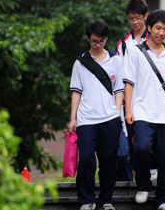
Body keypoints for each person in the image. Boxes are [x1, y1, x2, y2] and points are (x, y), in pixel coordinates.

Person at [124, 9, 165, 210]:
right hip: (142, 111)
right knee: (141, 148)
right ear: (149, 27)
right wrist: (128, 109)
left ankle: (164, 199)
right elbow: (129, 82)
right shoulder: (134, 52)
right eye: (158, 28)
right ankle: (143, 184)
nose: (161, 32)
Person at [68, 21, 123, 210]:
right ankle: (86, 200)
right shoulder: (80, 62)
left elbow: (119, 89)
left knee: (108, 160)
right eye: (93, 41)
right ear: (88, 39)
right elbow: (76, 91)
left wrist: (117, 111)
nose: (97, 44)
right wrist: (72, 118)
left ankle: (106, 200)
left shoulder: (115, 60)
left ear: (106, 39)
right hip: (86, 119)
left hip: (110, 118)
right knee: (86, 159)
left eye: (100, 41)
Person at [115, 0, 151, 181]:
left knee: (148, 140)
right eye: (131, 19)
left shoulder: (155, 39)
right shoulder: (124, 43)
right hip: (129, 98)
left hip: (151, 96)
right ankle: (133, 177)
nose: (135, 22)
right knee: (130, 142)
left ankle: (149, 172)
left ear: (145, 16)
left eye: (138, 18)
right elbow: (120, 72)